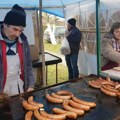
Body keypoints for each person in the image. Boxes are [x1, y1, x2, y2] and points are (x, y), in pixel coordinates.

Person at [0, 4, 35, 96]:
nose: (17, 34)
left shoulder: (23, 42)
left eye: (20, 31)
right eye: (15, 29)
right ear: (5, 24)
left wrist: (31, 85)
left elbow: (28, 66)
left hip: (17, 85)